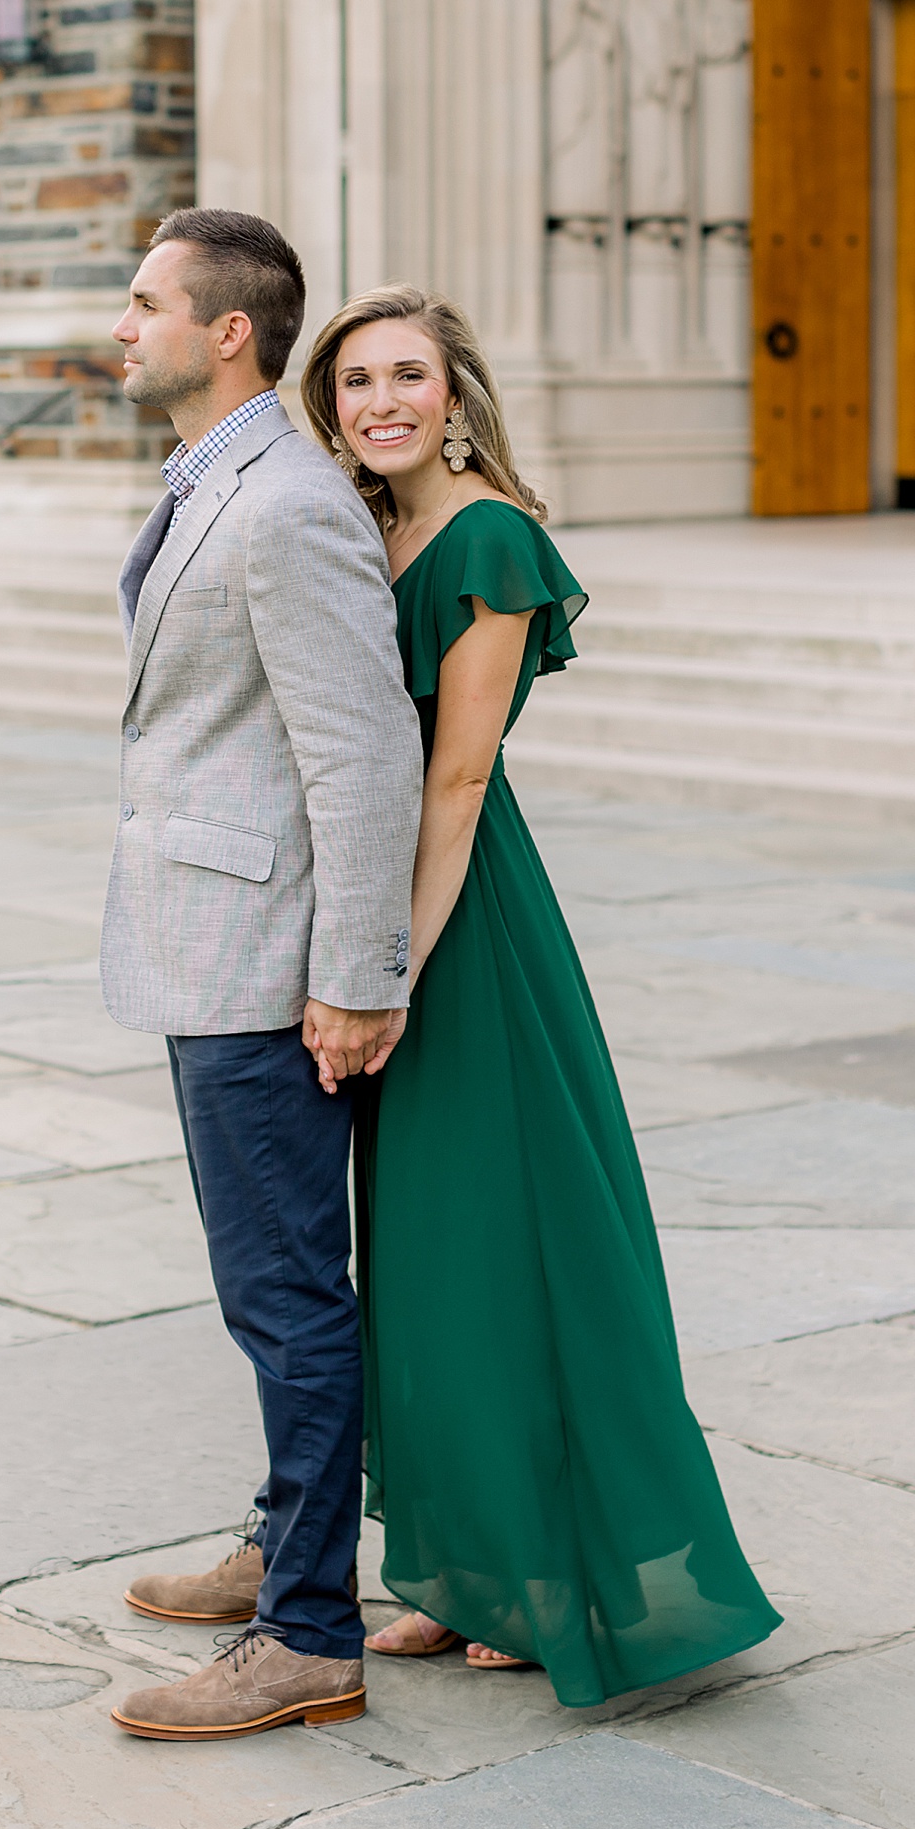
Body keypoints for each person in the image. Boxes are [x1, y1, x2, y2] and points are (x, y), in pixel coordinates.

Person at [295, 283, 781, 1704]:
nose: (381, 401)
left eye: (408, 377)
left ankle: (548, 1578)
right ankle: (456, 1569)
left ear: (456, 395)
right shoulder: (368, 528)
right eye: (357, 381)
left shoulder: (493, 536)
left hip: (461, 927)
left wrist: (386, 968)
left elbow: (456, 776)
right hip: (380, 906)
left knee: (504, 1250)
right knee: (428, 1264)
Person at [98, 210, 424, 1743]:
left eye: (148, 301)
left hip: (267, 968)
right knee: (270, 1288)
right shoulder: (216, 479)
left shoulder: (286, 502)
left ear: (230, 330)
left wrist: (359, 978)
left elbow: (364, 755)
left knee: (287, 1295)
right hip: (206, 943)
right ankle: (277, 1544)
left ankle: (308, 1630)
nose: (125, 323)